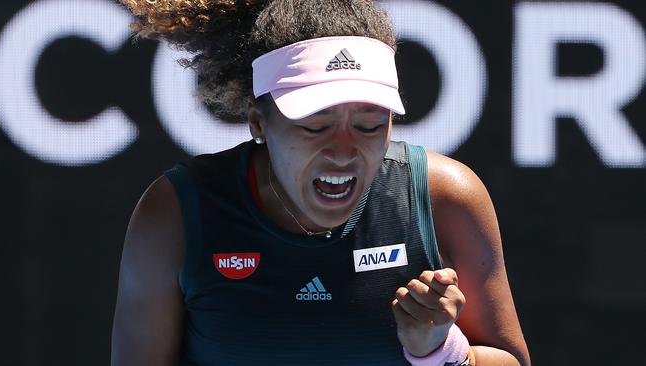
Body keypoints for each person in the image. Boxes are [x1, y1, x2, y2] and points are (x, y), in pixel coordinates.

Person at [111, 1, 530, 365]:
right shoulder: (174, 214)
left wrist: (442, 352)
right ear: (259, 122)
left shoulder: (448, 198)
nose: (343, 151)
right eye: (315, 126)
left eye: (368, 125)